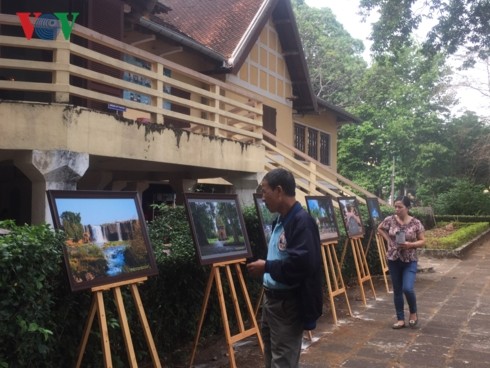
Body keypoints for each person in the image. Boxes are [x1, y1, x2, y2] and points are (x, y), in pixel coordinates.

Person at [247, 168, 323, 368]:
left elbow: (303, 265)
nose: (263, 197)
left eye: (265, 191)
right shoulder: (281, 220)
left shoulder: (302, 223)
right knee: (272, 358)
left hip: (287, 305)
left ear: (279, 191)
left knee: (283, 362)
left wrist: (267, 267)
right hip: (272, 302)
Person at [377, 195, 425, 329]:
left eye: (400, 207)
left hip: (410, 260)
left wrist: (410, 244)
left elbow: (423, 240)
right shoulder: (390, 220)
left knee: (407, 288)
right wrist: (389, 240)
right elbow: (380, 228)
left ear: (407, 208)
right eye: (395, 206)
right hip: (393, 259)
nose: (397, 209)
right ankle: (400, 319)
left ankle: (413, 312)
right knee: (397, 290)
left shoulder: (416, 223)